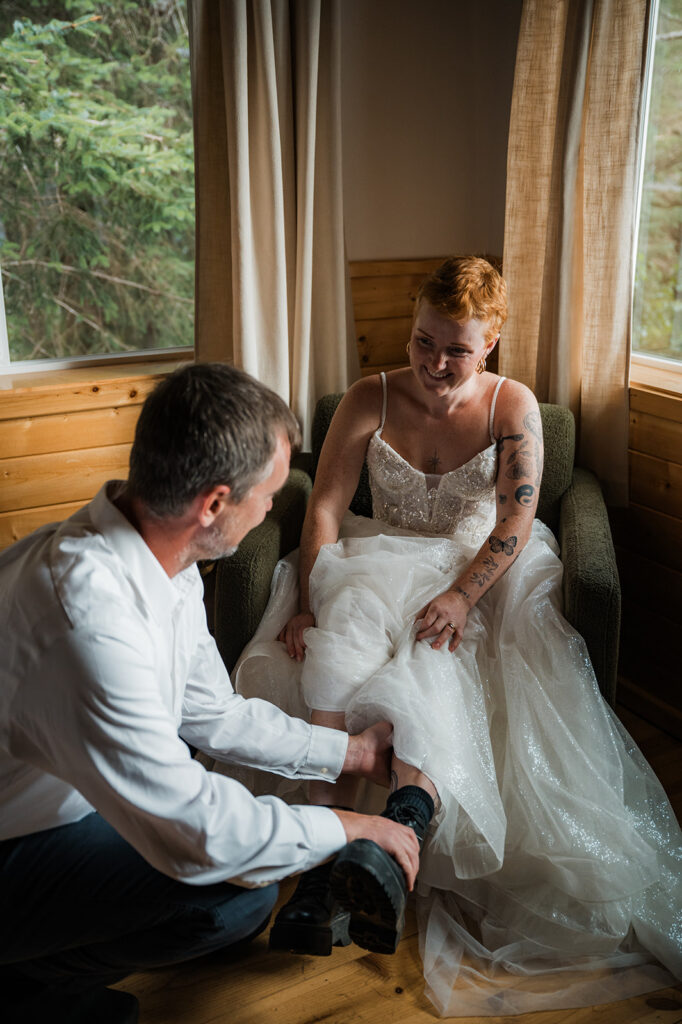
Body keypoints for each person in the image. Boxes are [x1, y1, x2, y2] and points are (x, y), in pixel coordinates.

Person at [230, 257, 682, 1016]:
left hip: (479, 569)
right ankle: (322, 874)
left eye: (457, 349)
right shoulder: (370, 395)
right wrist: (306, 598)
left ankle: (392, 841)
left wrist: (464, 596)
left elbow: (514, 518)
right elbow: (326, 510)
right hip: (379, 555)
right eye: (423, 342)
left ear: (492, 343)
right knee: (331, 664)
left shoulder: (514, 406)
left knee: (436, 665)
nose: (436, 364)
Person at [0, 362, 420, 1024]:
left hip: (53, 804)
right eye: (269, 496)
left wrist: (350, 755)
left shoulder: (160, 552)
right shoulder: (87, 620)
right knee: (229, 897)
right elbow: (194, 832)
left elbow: (211, 714)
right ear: (215, 504)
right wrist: (344, 825)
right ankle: (22, 991)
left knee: (238, 886)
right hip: (10, 843)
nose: (272, 511)